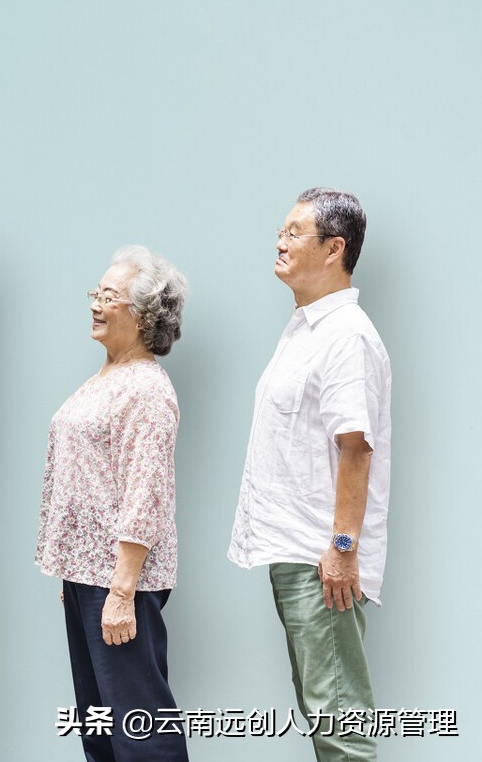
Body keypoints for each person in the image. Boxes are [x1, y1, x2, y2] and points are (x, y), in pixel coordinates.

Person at [228, 188, 391, 760]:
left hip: (324, 560)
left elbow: (356, 447)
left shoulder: (346, 335)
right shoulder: (306, 328)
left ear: (334, 248)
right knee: (323, 708)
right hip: (297, 550)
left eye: (294, 232)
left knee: (339, 719)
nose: (280, 241)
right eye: (282, 231)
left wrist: (343, 548)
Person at [35, 245, 189, 762]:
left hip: (119, 580)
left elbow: (145, 492)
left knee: (139, 727)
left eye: (109, 296)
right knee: (100, 727)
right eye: (95, 294)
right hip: (88, 576)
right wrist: (73, 571)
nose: (95, 304)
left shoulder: (146, 390)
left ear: (143, 315)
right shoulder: (106, 378)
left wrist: (121, 591)